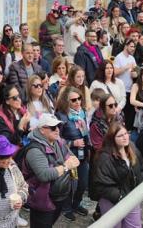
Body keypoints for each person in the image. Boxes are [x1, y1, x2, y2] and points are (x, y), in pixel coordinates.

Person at [23, 113, 80, 228]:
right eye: (53, 127)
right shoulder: (35, 149)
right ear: (42, 130)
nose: (57, 130)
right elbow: (44, 175)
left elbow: (72, 157)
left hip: (58, 196)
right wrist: (65, 167)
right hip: (42, 200)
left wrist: (67, 164)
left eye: (58, 126)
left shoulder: (58, 141)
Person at [89, 122, 143, 228]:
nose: (125, 137)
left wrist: (139, 188)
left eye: (125, 134)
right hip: (111, 200)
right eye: (120, 136)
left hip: (131, 197)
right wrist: (120, 197)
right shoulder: (104, 158)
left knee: (134, 226)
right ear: (112, 139)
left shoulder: (132, 148)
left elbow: (141, 170)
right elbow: (102, 185)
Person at [54, 87, 90, 220]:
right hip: (69, 155)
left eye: (79, 98)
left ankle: (76, 204)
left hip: (83, 154)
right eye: (74, 100)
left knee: (83, 183)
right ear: (66, 101)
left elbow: (86, 133)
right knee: (70, 184)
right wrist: (72, 143)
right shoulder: (61, 116)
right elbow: (57, 138)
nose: (78, 102)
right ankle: (67, 208)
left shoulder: (82, 113)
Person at [0, 84, 29, 148]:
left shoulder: (21, 111)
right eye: (15, 98)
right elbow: (8, 142)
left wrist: (29, 127)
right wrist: (20, 127)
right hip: (7, 153)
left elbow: (25, 134)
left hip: (21, 146)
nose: (19, 99)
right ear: (7, 101)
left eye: (19, 96)